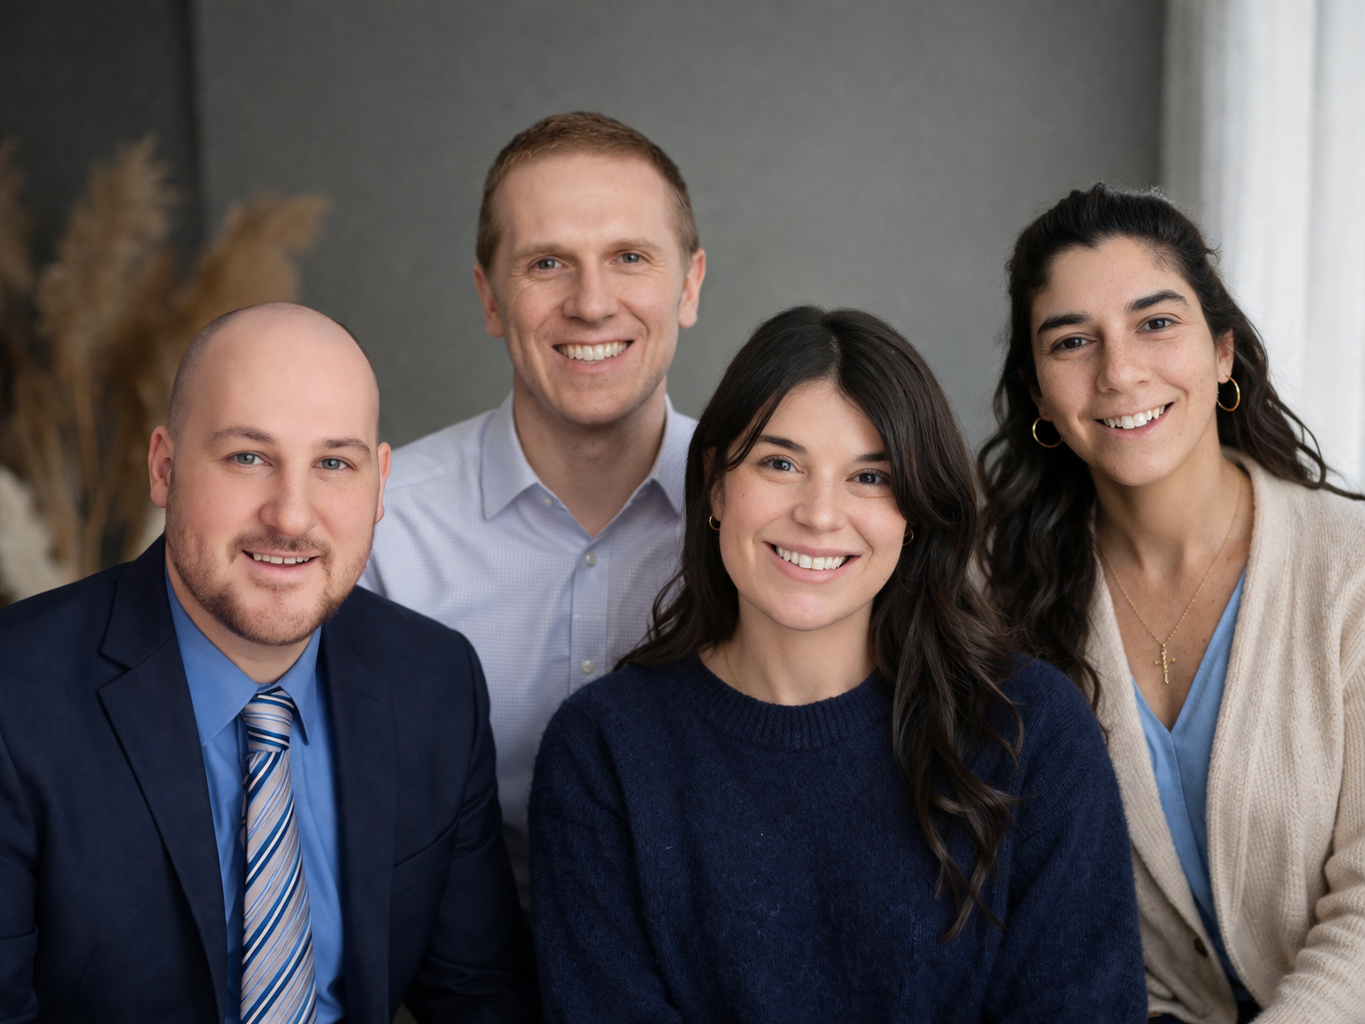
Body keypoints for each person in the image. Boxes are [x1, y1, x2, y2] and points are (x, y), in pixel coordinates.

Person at [528, 306, 1147, 1022]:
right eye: (780, 464)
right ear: (716, 483)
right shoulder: (603, 750)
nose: (820, 515)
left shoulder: (1027, 729)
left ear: (913, 513)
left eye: (870, 477)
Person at [0, 303, 535, 1023]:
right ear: (164, 468)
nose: (290, 515)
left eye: (333, 464)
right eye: (247, 457)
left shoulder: (433, 682)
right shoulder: (18, 695)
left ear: (379, 484)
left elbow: (480, 996)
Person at [978, 184, 1365, 1024]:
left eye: (1155, 323)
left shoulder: (1352, 576)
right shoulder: (992, 597)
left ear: (1222, 352)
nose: (1118, 371)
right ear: (1038, 392)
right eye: (1072, 341)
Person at [360, 111, 706, 902]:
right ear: (489, 299)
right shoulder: (380, 529)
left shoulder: (770, 523)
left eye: (629, 257)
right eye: (547, 262)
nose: (591, 303)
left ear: (687, 285)